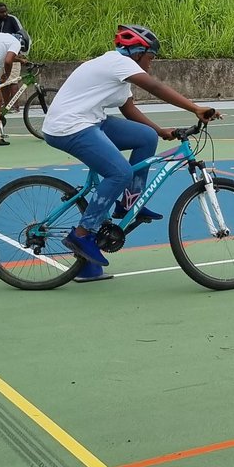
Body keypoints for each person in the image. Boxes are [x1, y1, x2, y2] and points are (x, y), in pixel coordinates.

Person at [41, 24, 217, 282]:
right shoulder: (118, 63)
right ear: (138, 52)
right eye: (151, 57)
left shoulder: (121, 71)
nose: (151, 62)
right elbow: (155, 87)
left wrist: (158, 131)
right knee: (119, 173)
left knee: (145, 136)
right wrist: (195, 108)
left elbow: (128, 108)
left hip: (91, 121)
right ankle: (82, 234)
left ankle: (128, 203)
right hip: (69, 127)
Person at [0, 4, 29, 105]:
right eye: (2, 12)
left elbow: (21, 35)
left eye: (6, 11)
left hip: (13, 54)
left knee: (13, 81)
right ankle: (6, 105)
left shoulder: (12, 19)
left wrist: (20, 55)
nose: (5, 14)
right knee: (2, 82)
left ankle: (15, 106)